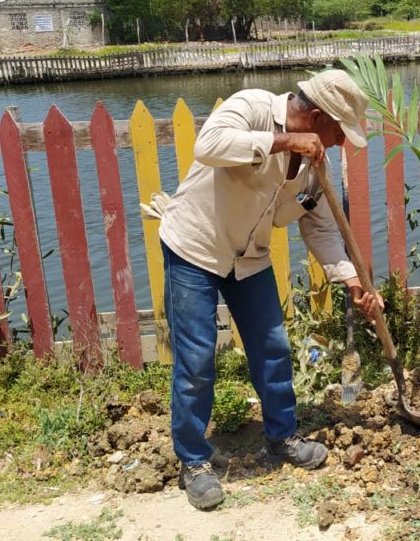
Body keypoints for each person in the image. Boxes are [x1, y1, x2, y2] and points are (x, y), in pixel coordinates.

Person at [157, 69, 382, 510]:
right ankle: (194, 462)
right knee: (198, 357)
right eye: (338, 132)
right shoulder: (254, 106)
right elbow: (209, 145)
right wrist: (283, 143)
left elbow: (320, 229)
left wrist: (351, 280)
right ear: (318, 117)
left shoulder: (318, 165)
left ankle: (281, 436)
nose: (339, 144)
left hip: (250, 257)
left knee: (272, 347)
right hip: (195, 247)